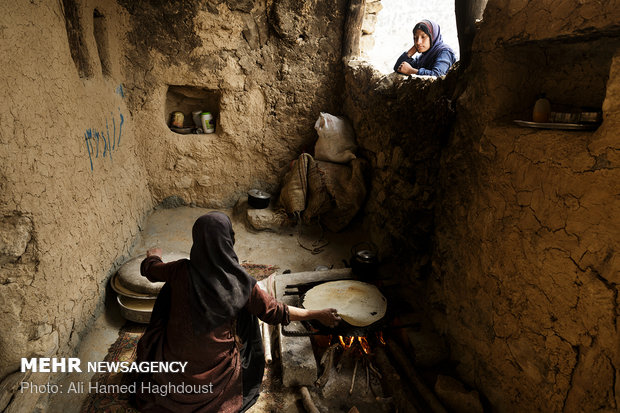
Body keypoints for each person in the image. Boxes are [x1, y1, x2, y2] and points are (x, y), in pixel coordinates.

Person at [133, 211, 341, 412]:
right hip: (214, 380)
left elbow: (149, 271)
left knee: (170, 289)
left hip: (173, 373)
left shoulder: (179, 270)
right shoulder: (241, 283)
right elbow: (277, 312)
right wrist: (316, 313)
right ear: (228, 241)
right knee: (247, 312)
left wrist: (153, 257)